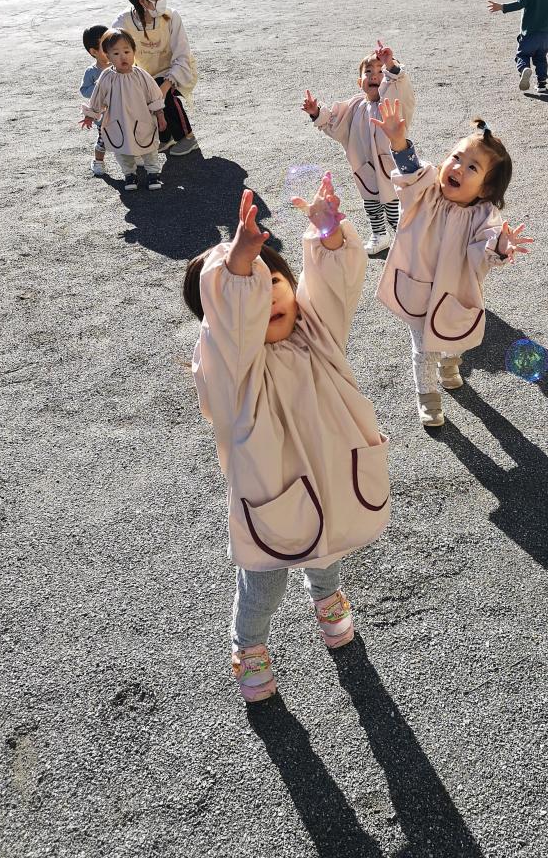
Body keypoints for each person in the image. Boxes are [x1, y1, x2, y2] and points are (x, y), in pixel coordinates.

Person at [184, 177, 390, 703]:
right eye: (247, 285)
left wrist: (327, 230)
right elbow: (229, 327)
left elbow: (336, 285)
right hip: (271, 494)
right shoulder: (231, 371)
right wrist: (238, 261)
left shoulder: (318, 331)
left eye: (273, 278)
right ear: (221, 316)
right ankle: (248, 644)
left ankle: (327, 599)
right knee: (264, 578)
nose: (267, 290)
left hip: (331, 479)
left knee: (329, 546)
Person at [371, 99, 533, 428]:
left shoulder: (484, 215)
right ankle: (427, 395)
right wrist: (398, 142)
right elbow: (409, 169)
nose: (457, 167)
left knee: (454, 335)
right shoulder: (425, 192)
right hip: (418, 287)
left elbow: (487, 250)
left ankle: (450, 363)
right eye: (456, 158)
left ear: (486, 188)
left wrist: (501, 245)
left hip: (455, 293)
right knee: (423, 347)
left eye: (472, 167)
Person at [302, 40, 416, 255]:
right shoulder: (355, 105)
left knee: (394, 205)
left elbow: (401, 85)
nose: (375, 75)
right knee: (371, 203)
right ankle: (379, 234)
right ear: (359, 81)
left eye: (381, 71)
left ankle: (405, 237)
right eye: (369, 71)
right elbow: (334, 121)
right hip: (364, 165)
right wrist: (316, 112)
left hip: (391, 163)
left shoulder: (393, 100)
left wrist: (390, 64)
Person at [112, 0, 200, 156]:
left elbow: (182, 55)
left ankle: (187, 137)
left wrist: (166, 85)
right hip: (144, 74)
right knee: (145, 93)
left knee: (162, 92)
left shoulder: (170, 16)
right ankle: (165, 137)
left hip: (175, 70)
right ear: (143, 1)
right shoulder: (123, 22)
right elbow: (113, 52)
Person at [80, 29, 167, 191]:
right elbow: (97, 97)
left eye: (127, 51)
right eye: (116, 53)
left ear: (134, 51)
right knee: (121, 148)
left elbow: (155, 96)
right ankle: (129, 175)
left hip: (142, 119)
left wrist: (160, 114)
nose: (123, 56)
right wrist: (90, 115)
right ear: (107, 55)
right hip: (118, 121)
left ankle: (153, 174)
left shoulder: (141, 75)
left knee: (149, 146)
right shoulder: (106, 77)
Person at [79, 25, 110, 176]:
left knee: (129, 135)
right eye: (106, 46)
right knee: (103, 141)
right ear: (94, 52)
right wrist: (99, 90)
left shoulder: (118, 65)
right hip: (103, 116)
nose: (111, 49)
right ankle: (98, 162)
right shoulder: (92, 72)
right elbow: (84, 90)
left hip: (123, 111)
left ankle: (134, 157)